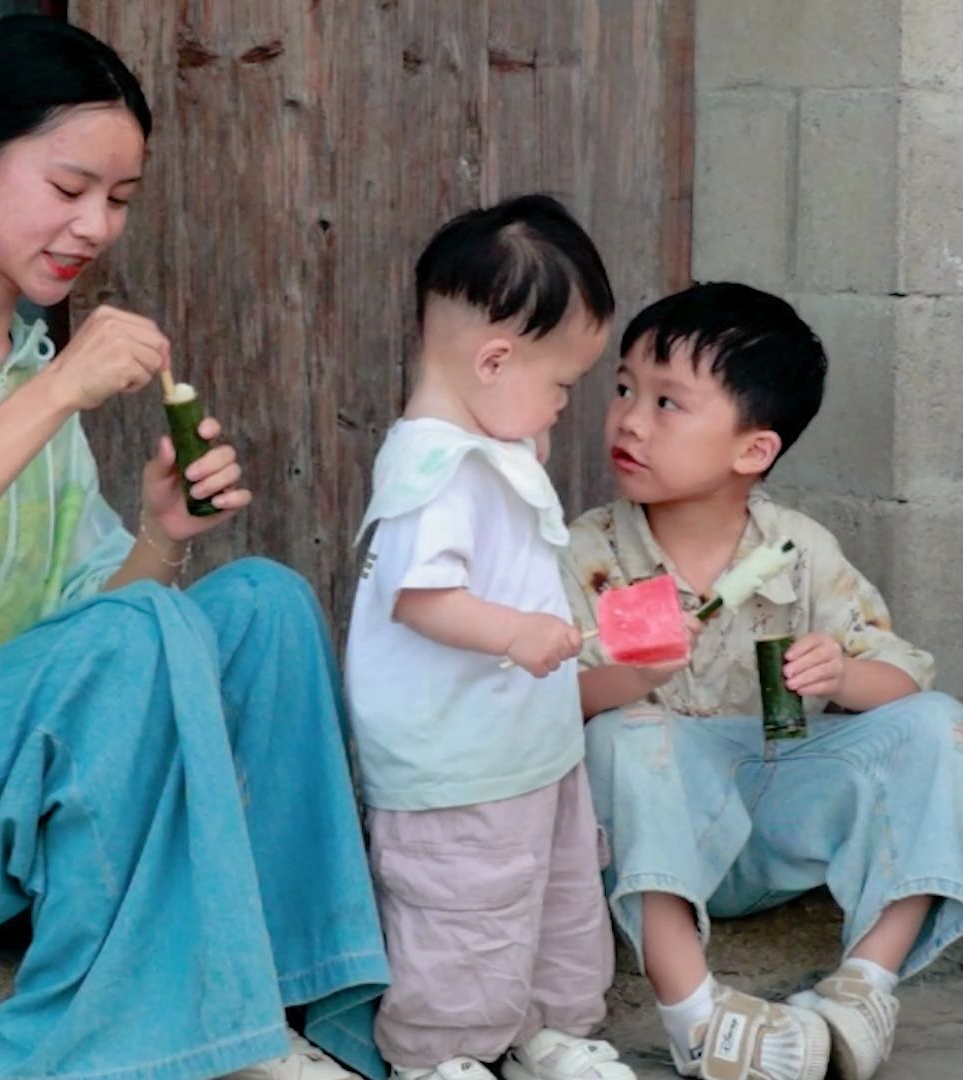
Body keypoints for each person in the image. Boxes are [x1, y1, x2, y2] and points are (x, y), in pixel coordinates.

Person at [0, 16, 387, 1080]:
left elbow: (91, 644)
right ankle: (112, 1051)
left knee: (263, 604)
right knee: (137, 631)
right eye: (69, 186)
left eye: (119, 201)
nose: (94, 225)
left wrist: (160, 538)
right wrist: (58, 392)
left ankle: (287, 1007)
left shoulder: (28, 359)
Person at [561, 284, 963, 1080]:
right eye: (623, 388)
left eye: (667, 402)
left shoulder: (798, 549)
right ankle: (696, 1017)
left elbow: (904, 686)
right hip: (653, 832)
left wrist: (846, 673)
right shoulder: (587, 554)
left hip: (776, 811)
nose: (629, 419)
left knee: (946, 724)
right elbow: (551, 708)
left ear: (752, 450)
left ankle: (863, 988)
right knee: (629, 732)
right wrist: (628, 677)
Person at [344, 195, 633, 1080]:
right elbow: (422, 598)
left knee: (553, 894)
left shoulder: (487, 443)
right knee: (463, 907)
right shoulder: (433, 467)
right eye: (560, 387)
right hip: (455, 762)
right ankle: (442, 1054)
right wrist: (517, 633)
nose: (560, 408)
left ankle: (548, 1027)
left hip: (523, 748)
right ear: (495, 358)